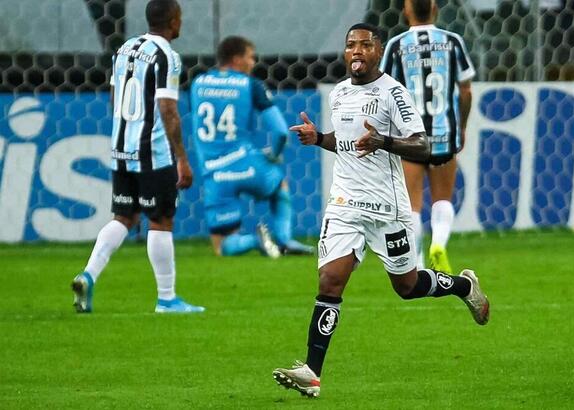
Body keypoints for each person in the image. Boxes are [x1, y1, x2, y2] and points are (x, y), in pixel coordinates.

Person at [272, 23, 489, 398]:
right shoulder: (338, 94)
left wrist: (384, 141)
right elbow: (346, 143)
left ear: (378, 51)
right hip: (345, 203)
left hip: (388, 208)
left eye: (364, 45)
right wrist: (318, 138)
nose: (356, 51)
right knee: (330, 281)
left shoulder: (394, 94)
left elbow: (423, 145)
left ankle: (464, 285)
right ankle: (312, 373)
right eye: (350, 45)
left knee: (407, 286)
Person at [71, 0, 204, 314]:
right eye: (180, 18)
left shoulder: (125, 49)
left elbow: (115, 96)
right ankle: (167, 299)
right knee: (160, 220)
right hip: (152, 153)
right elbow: (168, 110)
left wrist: (126, 132)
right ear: (173, 21)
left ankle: (88, 275)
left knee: (124, 217)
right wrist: (181, 159)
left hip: (122, 148)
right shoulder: (167, 57)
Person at [190, 36, 314, 258]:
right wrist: (273, 155)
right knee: (279, 185)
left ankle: (253, 241)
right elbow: (280, 132)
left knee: (223, 246)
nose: (253, 62)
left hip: (214, 173)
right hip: (247, 163)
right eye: (250, 57)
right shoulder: (249, 85)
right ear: (237, 59)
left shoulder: (198, 83)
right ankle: (285, 240)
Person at [380, 0, 475, 273]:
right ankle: (439, 244)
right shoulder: (453, 41)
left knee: (412, 205)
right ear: (435, 9)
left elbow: (383, 89)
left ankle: (418, 264)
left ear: (406, 11)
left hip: (410, 138)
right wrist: (463, 125)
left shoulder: (397, 45)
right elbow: (466, 90)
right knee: (442, 199)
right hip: (444, 133)